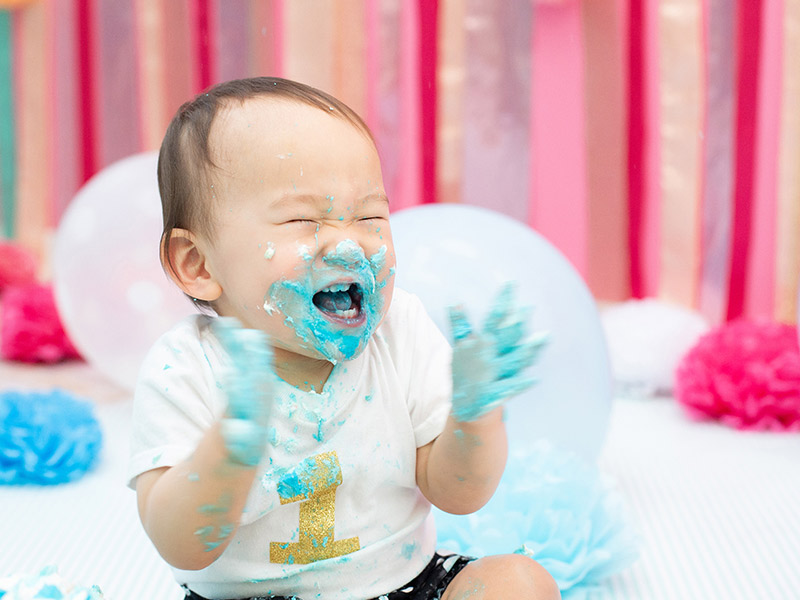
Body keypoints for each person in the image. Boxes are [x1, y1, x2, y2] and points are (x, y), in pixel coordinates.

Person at [127, 77, 559, 600]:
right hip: (251, 598)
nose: (349, 243)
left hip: (404, 585)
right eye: (303, 218)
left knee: (518, 583)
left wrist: (474, 415)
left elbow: (458, 494)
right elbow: (180, 546)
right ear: (197, 264)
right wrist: (229, 451)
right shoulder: (187, 368)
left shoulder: (401, 331)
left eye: (371, 215)